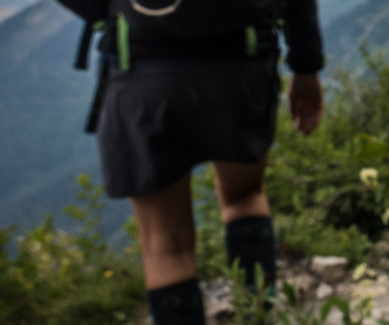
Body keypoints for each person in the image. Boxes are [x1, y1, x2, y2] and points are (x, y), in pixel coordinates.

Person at [54, 0, 324, 323]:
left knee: (165, 245)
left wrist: (113, 9)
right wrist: (306, 66)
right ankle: (257, 317)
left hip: (142, 70)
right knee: (245, 197)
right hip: (239, 65)